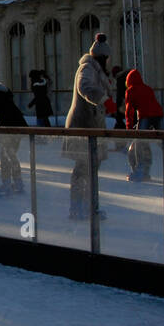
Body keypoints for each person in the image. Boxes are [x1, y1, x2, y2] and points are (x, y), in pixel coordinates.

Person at [64, 36, 114, 220]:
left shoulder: (95, 69)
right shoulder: (88, 68)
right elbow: (85, 87)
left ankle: (86, 207)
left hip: (90, 125)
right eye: (107, 57)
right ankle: (80, 208)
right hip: (83, 127)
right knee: (84, 169)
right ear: (103, 57)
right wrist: (105, 101)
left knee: (89, 169)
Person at [125, 68, 164, 182]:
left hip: (145, 116)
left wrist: (129, 127)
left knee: (139, 143)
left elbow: (129, 111)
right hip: (158, 115)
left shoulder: (130, 90)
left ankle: (140, 172)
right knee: (163, 143)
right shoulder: (147, 88)